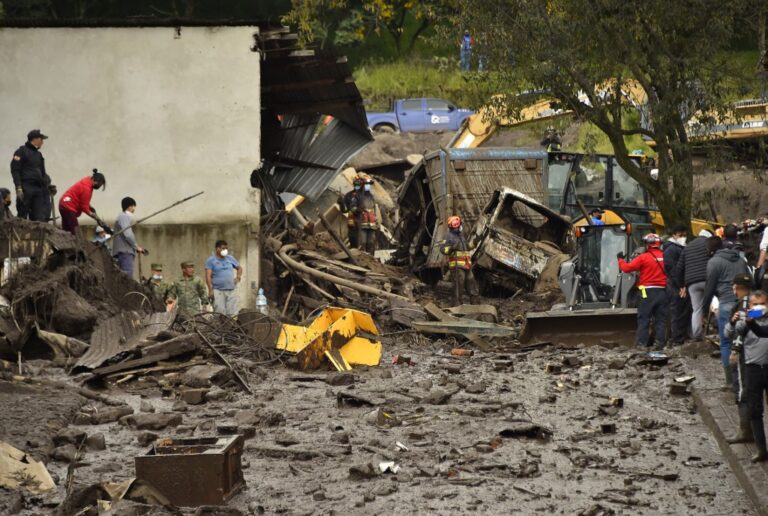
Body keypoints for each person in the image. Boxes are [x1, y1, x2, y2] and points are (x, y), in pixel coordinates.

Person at [702, 224, 749, 385]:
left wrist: (703, 309)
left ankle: (730, 380)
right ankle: (745, 376)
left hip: (726, 304)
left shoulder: (713, 262)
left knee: (726, 342)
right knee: (745, 339)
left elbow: (709, 288)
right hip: (743, 304)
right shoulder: (741, 260)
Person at [727, 289, 768, 462]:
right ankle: (761, 450)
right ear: (749, 306)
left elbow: (762, 331)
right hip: (752, 369)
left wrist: (751, 322)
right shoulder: (743, 321)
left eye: (763, 304)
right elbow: (729, 334)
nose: (759, 307)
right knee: (755, 410)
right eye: (755, 304)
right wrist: (733, 320)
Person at [618, 233, 667, 349]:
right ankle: (660, 343)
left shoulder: (643, 257)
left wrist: (620, 260)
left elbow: (626, 268)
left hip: (646, 292)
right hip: (662, 292)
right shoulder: (665, 256)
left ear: (647, 244)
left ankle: (642, 344)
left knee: (644, 318)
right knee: (660, 319)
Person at [724, 274, 755, 445]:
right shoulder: (760, 302)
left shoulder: (741, 305)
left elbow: (732, 332)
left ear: (737, 287)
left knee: (742, 390)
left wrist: (735, 350)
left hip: (745, 353)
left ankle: (746, 431)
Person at [674, 229, 713, 340]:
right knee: (715, 304)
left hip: (692, 283)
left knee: (697, 309)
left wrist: (682, 286)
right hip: (708, 280)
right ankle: (718, 331)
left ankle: (697, 335)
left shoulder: (688, 246)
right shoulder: (709, 244)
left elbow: (679, 268)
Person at [10, 129, 55, 221]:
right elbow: (15, 170)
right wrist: (18, 187)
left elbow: (42, 173)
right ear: (34, 139)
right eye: (41, 139)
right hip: (26, 188)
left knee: (39, 217)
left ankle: (38, 235)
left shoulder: (39, 155)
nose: (42, 142)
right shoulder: (20, 152)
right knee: (22, 216)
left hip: (38, 188)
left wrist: (48, 185)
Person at [664, 224, 691, 345]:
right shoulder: (671, 249)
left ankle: (679, 336)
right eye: (680, 235)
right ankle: (676, 338)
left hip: (680, 284)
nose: (683, 238)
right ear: (674, 235)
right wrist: (681, 286)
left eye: (684, 235)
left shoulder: (679, 248)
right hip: (675, 285)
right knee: (676, 311)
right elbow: (673, 270)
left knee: (682, 310)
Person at [440, 215, 477, 306]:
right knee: (458, 289)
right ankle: (456, 308)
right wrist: (451, 248)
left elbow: (467, 247)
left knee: (472, 286)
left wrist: (475, 242)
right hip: (457, 266)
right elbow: (442, 249)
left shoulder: (461, 236)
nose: (459, 226)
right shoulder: (448, 236)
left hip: (467, 265)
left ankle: (476, 306)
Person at [58, 169, 106, 235]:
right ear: (96, 181)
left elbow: (82, 199)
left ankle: (65, 243)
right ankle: (76, 244)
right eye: (100, 185)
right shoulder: (86, 188)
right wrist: (94, 216)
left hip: (63, 204)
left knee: (67, 231)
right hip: (68, 207)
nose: (99, 187)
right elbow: (84, 207)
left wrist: (90, 207)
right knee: (76, 232)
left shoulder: (88, 180)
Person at [205, 240, 242, 317]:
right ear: (217, 249)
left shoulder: (230, 258)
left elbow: (239, 268)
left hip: (231, 289)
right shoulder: (211, 260)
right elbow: (208, 276)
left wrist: (238, 277)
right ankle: (220, 328)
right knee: (219, 313)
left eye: (226, 248)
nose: (225, 250)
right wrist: (210, 290)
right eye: (223, 248)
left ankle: (231, 328)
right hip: (218, 290)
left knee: (232, 313)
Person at [112, 197, 145, 278]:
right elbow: (128, 234)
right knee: (127, 278)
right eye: (134, 206)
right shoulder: (124, 216)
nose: (134, 209)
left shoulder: (121, 217)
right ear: (130, 206)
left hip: (122, 252)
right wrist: (136, 246)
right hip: (125, 252)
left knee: (122, 278)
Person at [354, 178, 379, 254]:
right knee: (363, 242)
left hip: (372, 223)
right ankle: (362, 258)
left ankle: (371, 258)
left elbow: (374, 208)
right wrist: (358, 209)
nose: (368, 186)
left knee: (371, 242)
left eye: (369, 185)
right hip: (362, 222)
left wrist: (376, 219)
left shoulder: (371, 196)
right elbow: (352, 207)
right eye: (367, 185)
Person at [340, 177, 363, 248]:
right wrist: (341, 203)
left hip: (362, 220)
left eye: (358, 185)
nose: (357, 186)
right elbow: (344, 210)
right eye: (355, 185)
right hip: (352, 220)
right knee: (352, 239)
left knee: (362, 240)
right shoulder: (348, 195)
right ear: (353, 185)